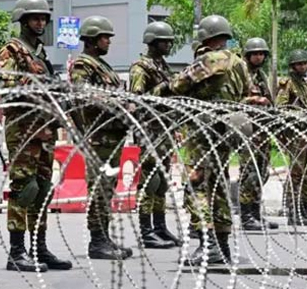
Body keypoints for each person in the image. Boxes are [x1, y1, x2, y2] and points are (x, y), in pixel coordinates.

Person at [0, 0, 72, 272]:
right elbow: (7, 86)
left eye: (44, 18)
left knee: (42, 189)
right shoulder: (12, 51)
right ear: (23, 20)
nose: (40, 22)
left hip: (44, 129)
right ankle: (17, 251)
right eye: (35, 18)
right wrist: (37, 84)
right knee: (23, 188)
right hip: (24, 130)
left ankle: (39, 248)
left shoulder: (40, 54)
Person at [169, 15, 252, 265]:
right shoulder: (239, 62)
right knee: (220, 184)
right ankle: (222, 244)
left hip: (204, 129)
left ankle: (208, 244)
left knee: (198, 185)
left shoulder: (209, 59)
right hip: (226, 129)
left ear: (205, 37)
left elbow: (178, 84)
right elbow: (246, 91)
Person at [69, 15, 133, 260]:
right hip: (98, 137)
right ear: (93, 39)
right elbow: (82, 95)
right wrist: (117, 104)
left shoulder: (103, 66)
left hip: (112, 136)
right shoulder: (83, 65)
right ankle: (97, 241)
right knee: (100, 188)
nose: (109, 42)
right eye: (105, 37)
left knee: (108, 188)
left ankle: (104, 237)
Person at [128, 21, 180, 249]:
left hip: (164, 129)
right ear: (152, 42)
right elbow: (138, 99)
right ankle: (146, 230)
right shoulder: (141, 68)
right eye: (164, 41)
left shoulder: (163, 66)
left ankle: (160, 226)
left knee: (161, 182)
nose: (168, 45)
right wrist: (165, 88)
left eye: (170, 41)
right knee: (150, 182)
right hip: (149, 130)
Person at [238, 38, 279, 231]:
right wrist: (253, 100)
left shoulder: (261, 75)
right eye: (255, 53)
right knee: (249, 174)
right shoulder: (241, 74)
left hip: (262, 131)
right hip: (248, 130)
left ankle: (255, 213)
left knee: (262, 174)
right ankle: (246, 216)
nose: (259, 56)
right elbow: (234, 101)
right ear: (248, 55)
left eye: (262, 53)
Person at [276, 50, 307, 226]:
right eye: (299, 64)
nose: (303, 66)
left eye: (305, 63)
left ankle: (304, 205)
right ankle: (292, 208)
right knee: (297, 172)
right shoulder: (288, 85)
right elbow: (280, 108)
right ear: (293, 66)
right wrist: (299, 115)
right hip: (296, 133)